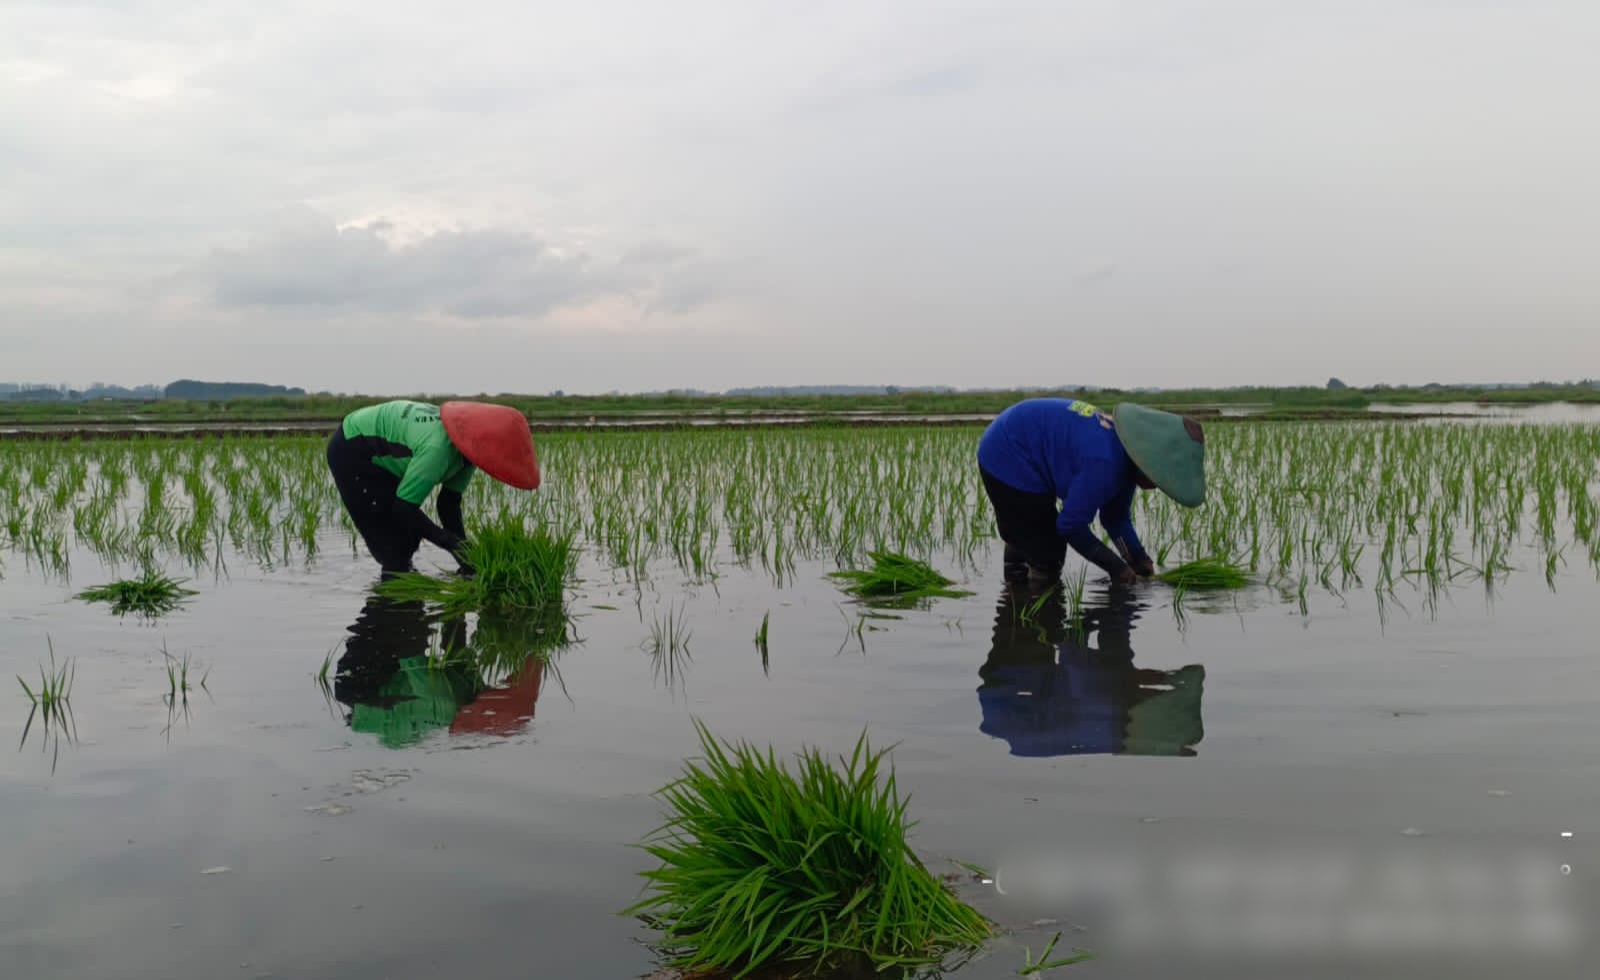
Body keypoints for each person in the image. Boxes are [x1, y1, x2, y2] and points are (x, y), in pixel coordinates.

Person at [976, 398, 1206, 587]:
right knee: (1048, 553)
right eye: (1160, 476)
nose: (1158, 485)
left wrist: (1137, 558)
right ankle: (1034, 614)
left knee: (1030, 533)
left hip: (1021, 445)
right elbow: (1070, 525)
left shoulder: (1126, 455)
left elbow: (1115, 518)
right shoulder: (1105, 462)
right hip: (1007, 454)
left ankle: (1014, 599)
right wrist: (1116, 568)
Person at [976, 584, 1205, 758]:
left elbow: (1117, 676)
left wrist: (1085, 623)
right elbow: (1074, 653)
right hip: (1017, 695)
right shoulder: (1092, 695)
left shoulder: (1088, 697)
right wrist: (1084, 623)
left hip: (1018, 704)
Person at [325, 399, 540, 576]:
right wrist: (450, 543)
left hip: (383, 456)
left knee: (409, 536)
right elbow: (404, 508)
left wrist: (463, 555)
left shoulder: (467, 451)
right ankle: (388, 616)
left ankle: (406, 611)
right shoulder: (438, 448)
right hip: (352, 448)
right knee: (392, 550)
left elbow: (448, 504)